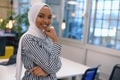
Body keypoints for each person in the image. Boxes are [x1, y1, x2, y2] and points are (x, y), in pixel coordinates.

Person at [16, 2, 62, 80]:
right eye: (41, 16)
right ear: (33, 16)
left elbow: (59, 64)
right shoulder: (29, 39)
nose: (46, 21)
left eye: (49, 17)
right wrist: (55, 41)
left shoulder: (46, 37)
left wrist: (47, 71)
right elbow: (52, 68)